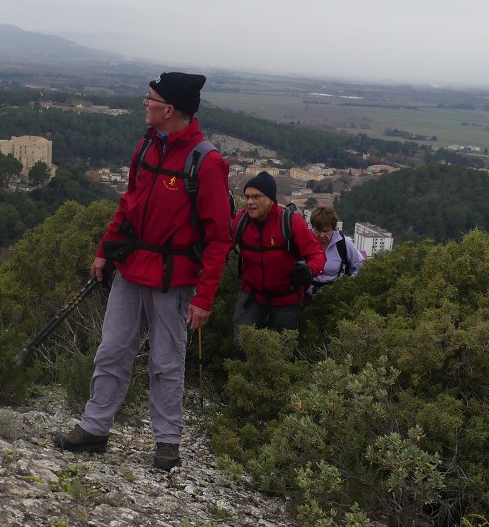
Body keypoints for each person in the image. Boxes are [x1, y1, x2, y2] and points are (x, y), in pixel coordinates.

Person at [53, 72, 233, 471]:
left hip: (174, 277)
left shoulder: (207, 163)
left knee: (167, 361)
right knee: (113, 349)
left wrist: (204, 298)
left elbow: (220, 238)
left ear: (168, 109)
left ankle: (167, 443)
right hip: (132, 267)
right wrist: (104, 251)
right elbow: (128, 205)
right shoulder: (146, 148)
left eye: (149, 99)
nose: (144, 104)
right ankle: (95, 428)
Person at [231, 171, 325, 354]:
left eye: (256, 196)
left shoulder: (290, 221)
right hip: (252, 295)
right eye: (247, 196)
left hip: (285, 297)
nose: (249, 201)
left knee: (282, 350)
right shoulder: (241, 221)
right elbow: (220, 246)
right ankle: (245, 379)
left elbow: (317, 254)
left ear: (271, 200)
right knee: (241, 344)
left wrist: (309, 271)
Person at [306, 206, 365, 302]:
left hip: (337, 295)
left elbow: (361, 265)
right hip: (308, 294)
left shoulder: (344, 243)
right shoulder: (305, 242)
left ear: (333, 229)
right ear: (312, 227)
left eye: (326, 231)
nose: (322, 235)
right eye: (318, 230)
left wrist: (348, 284)